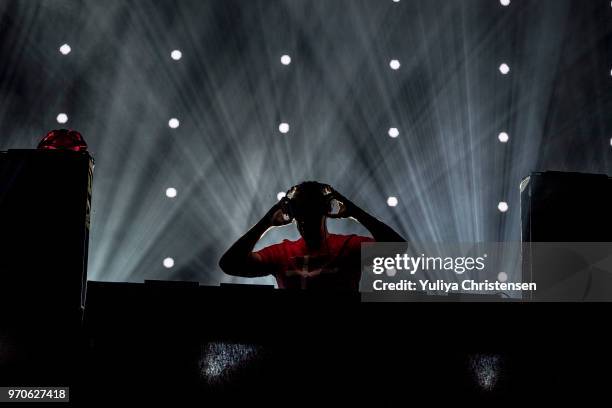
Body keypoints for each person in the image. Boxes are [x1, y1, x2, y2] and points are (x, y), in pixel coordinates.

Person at [219, 181, 405, 291]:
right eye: (300, 212)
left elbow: (398, 250)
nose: (304, 220)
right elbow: (230, 264)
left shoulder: (349, 247)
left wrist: (355, 212)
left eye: (311, 211)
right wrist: (266, 222)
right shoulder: (281, 253)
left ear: (324, 210)